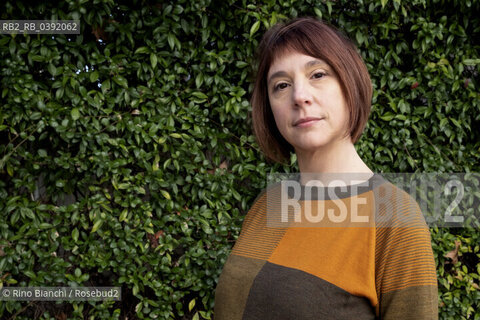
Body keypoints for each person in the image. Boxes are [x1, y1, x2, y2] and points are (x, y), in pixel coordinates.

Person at [214, 17, 438, 319]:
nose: (299, 96)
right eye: (281, 85)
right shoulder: (268, 204)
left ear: (350, 83)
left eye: (318, 74)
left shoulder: (396, 218)